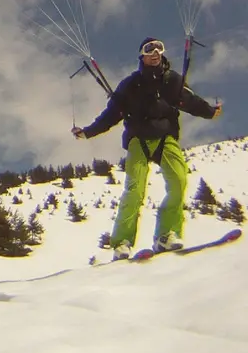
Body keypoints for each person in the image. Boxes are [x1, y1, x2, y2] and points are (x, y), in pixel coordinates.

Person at [73, 37, 222, 260]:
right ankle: (122, 242)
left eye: (159, 48)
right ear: (141, 56)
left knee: (179, 180)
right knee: (135, 189)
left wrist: (210, 112)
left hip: (165, 137)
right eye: (149, 49)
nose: (155, 52)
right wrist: (88, 131)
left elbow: (191, 101)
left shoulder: (173, 81)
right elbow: (112, 115)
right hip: (139, 139)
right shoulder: (130, 85)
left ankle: (166, 235)